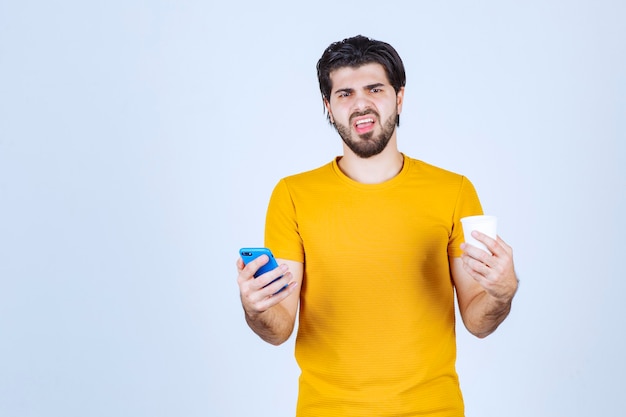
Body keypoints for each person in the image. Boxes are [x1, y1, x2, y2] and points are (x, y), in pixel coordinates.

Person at [236, 35, 518, 416]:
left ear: (399, 97)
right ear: (328, 106)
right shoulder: (292, 195)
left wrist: (501, 293)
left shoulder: (454, 191)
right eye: (345, 94)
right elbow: (279, 327)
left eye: (374, 89)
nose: (360, 104)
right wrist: (255, 308)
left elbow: (477, 320)